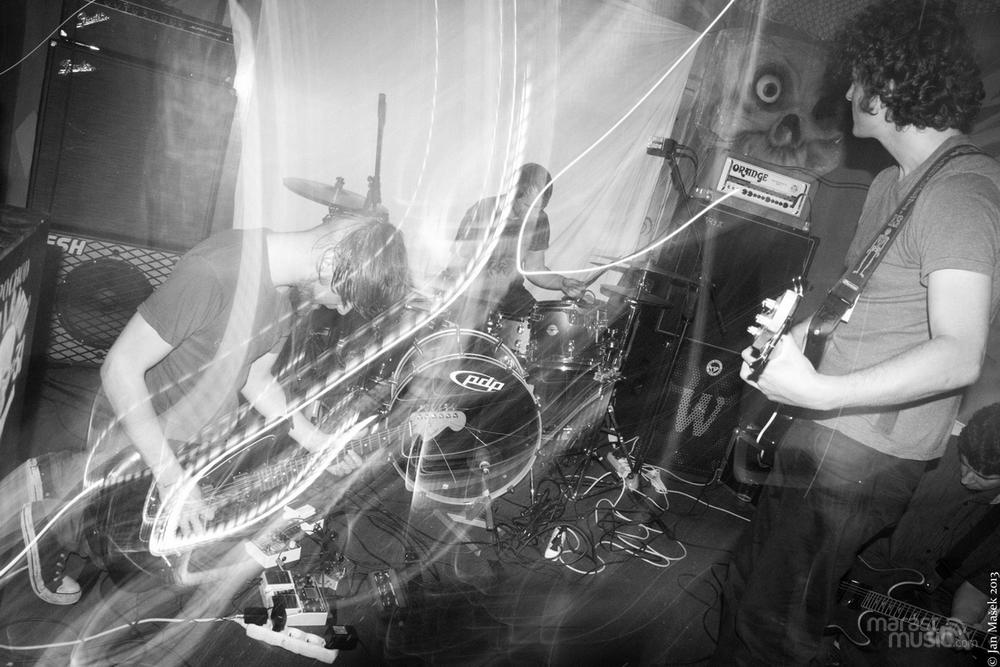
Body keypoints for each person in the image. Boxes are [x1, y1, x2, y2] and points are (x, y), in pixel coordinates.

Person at [713, 1, 1000, 663]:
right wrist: (793, 336)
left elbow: (960, 354)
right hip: (828, 434)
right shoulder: (892, 182)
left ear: (891, 82)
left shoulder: (962, 194)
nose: (846, 93)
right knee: (746, 590)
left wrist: (816, 391)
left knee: (773, 628)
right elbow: (860, 302)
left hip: (865, 456)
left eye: (857, 77)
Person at [9, 214, 410, 605]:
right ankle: (57, 518)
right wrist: (172, 480)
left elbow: (256, 377)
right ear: (331, 261)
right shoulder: (216, 271)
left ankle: (65, 495)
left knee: (158, 561)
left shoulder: (282, 293)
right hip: (147, 435)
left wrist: (314, 438)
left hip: (191, 441)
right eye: (347, 296)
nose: (342, 311)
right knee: (134, 569)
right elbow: (119, 367)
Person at [444, 163, 586, 330]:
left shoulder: (540, 220)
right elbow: (458, 260)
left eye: (539, 208)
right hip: (470, 290)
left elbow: (535, 268)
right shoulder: (483, 210)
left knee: (541, 325)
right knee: (472, 333)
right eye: (528, 206)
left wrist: (562, 283)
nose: (533, 213)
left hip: (510, 293)